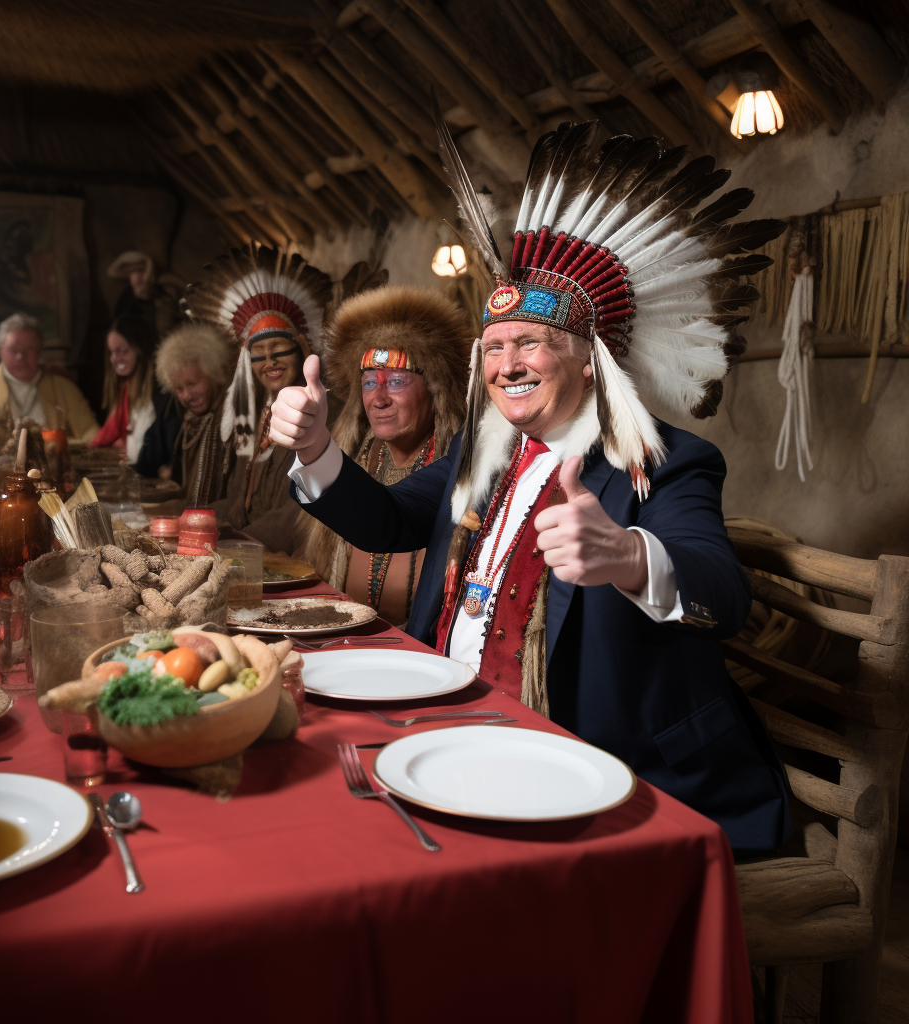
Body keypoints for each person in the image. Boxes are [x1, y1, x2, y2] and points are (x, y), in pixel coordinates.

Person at [270, 121, 791, 855]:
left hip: (602, 770)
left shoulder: (666, 461)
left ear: (588, 364)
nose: (506, 362)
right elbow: (388, 521)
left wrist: (627, 555)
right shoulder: (480, 458)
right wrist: (318, 448)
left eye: (530, 344)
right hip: (446, 730)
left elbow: (722, 594)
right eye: (493, 347)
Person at [304, 286, 472, 626]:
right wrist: (312, 446)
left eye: (395, 381)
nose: (378, 399)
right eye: (368, 383)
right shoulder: (351, 458)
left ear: (435, 389)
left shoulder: (457, 471)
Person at [182, 243, 333, 553]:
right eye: (259, 354)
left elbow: (302, 512)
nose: (270, 362)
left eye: (279, 349)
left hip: (295, 563)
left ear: (302, 350)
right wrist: (189, 520)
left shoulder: (324, 412)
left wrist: (240, 542)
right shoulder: (256, 415)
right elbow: (242, 506)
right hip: (256, 558)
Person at [0, 313, 99, 442]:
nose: (20, 357)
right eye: (13, 350)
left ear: (39, 351)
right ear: (0, 351)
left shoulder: (64, 387)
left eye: (29, 350)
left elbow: (91, 432)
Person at [92, 314, 181, 478]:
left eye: (122, 351)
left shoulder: (162, 395)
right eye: (112, 352)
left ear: (141, 348)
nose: (114, 358)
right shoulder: (125, 392)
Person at [154, 321, 231, 504]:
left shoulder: (230, 419)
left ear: (213, 374)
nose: (186, 395)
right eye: (179, 389)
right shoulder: (190, 421)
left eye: (192, 383)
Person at [107, 250, 184, 339]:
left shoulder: (162, 286)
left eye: (141, 270)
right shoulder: (127, 296)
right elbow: (120, 323)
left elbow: (183, 287)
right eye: (132, 272)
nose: (137, 277)